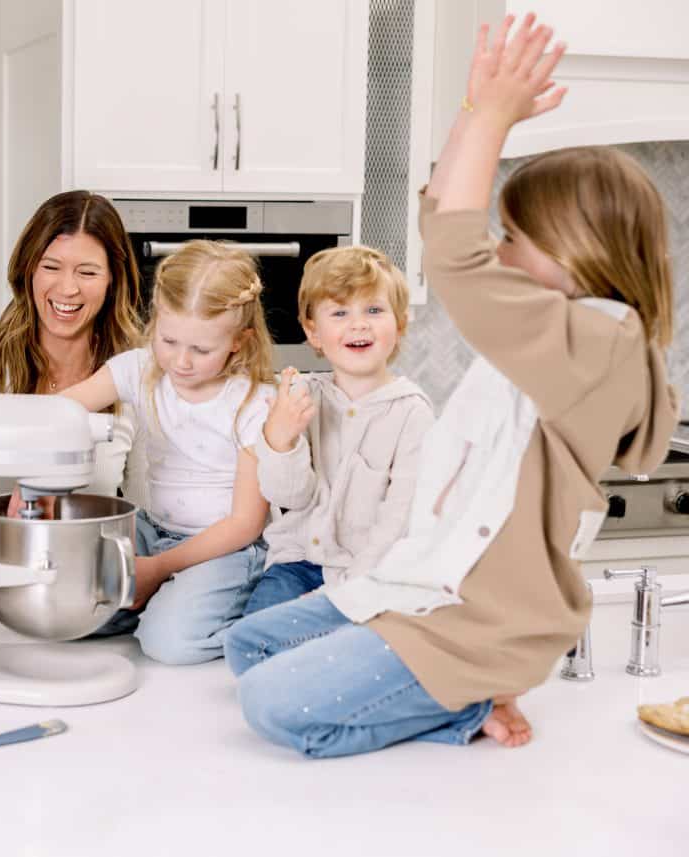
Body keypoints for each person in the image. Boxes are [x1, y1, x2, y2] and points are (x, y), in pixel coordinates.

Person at [224, 14, 678, 758]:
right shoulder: (558, 329)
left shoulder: (599, 346)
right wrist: (475, 112)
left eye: (514, 238)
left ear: (577, 249)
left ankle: (460, 706)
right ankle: (430, 690)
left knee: (270, 704)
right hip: (421, 585)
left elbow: (455, 252)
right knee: (249, 647)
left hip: (479, 623)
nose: (497, 251)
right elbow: (443, 210)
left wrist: (494, 120)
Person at [62, 240, 275, 665]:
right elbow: (57, 410)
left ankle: (263, 623)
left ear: (238, 341)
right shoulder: (139, 369)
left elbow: (245, 523)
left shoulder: (254, 403)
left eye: (201, 349)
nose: (181, 361)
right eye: (169, 340)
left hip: (225, 549)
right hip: (152, 528)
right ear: (155, 320)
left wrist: (157, 569)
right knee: (69, 612)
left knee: (167, 644)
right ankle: (161, 601)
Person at [242, 246, 433, 617]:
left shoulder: (412, 414)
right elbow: (289, 496)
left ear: (400, 323)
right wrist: (282, 441)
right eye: (340, 312)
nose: (358, 324)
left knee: (345, 641)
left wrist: (349, 594)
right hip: (296, 565)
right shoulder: (301, 397)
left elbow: (399, 522)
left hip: (372, 573)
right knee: (253, 639)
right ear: (313, 332)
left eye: (374, 310)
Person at [0, 189, 145, 500]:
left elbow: (144, 513)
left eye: (87, 272)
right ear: (28, 268)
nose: (67, 288)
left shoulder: (134, 381)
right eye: (51, 267)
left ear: (112, 280)